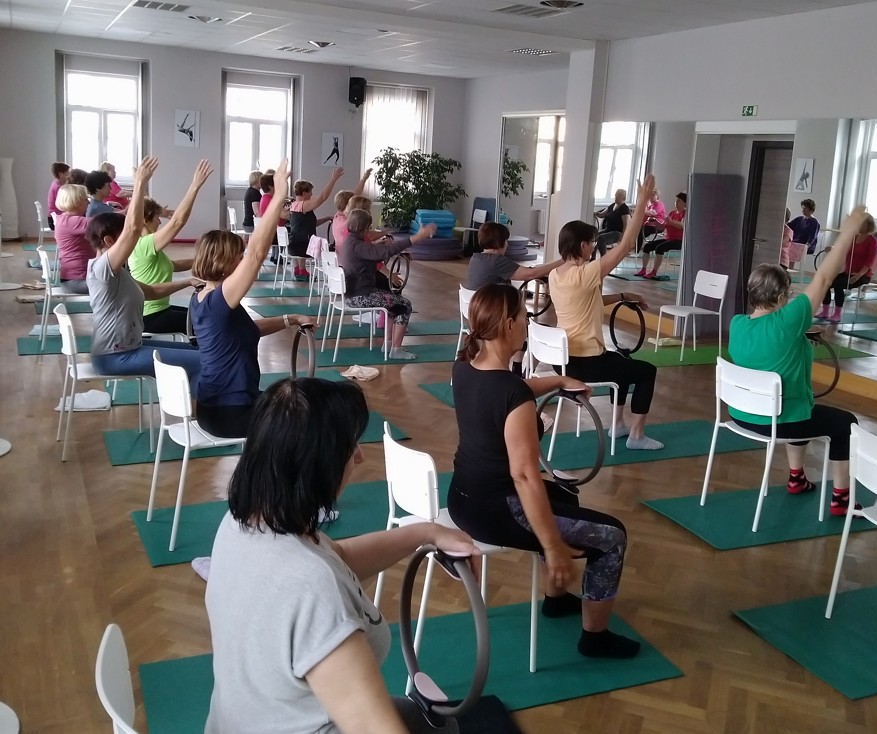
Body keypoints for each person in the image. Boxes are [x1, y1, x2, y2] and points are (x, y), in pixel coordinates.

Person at [204, 378, 479, 734]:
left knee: (440, 725)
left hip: (243, 722)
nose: (360, 457)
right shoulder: (310, 587)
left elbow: (340, 557)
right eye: (350, 448)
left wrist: (426, 532)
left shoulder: (243, 523)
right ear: (319, 466)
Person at [448, 284, 640, 660]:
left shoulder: (464, 367)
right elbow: (524, 477)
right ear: (508, 325)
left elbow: (509, 389)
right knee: (613, 536)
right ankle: (595, 638)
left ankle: (557, 599)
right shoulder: (512, 395)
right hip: (499, 511)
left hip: (463, 500)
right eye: (524, 316)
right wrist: (553, 548)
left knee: (565, 494)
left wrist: (558, 380)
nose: (528, 322)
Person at [728, 206, 867, 517]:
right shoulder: (788, 321)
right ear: (781, 298)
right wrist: (849, 230)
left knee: (804, 409)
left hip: (742, 415)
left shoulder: (737, 324)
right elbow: (824, 277)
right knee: (845, 423)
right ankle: (842, 499)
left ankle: (797, 478)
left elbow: (770, 348)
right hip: (778, 419)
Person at [189, 160, 316, 438]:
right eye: (238, 256)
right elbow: (257, 253)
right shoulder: (219, 301)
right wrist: (279, 197)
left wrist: (291, 319)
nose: (242, 260)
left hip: (222, 406)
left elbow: (247, 330)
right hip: (230, 413)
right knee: (308, 418)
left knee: (296, 398)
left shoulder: (203, 298)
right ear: (223, 262)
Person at [549, 175, 661, 450]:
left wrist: (623, 295)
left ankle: (618, 425)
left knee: (620, 362)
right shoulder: (585, 273)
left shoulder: (556, 274)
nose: (594, 246)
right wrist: (642, 202)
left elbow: (588, 301)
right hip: (585, 362)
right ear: (582, 246)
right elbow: (625, 245)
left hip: (563, 360)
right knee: (647, 371)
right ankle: (636, 436)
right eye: (592, 242)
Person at [85, 157, 202, 386]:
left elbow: (151, 292)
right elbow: (133, 228)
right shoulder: (102, 269)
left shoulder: (118, 272)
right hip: (114, 357)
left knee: (198, 353)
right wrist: (139, 183)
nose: (134, 239)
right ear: (109, 241)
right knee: (203, 362)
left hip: (129, 347)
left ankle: (197, 403)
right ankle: (194, 407)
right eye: (126, 238)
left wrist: (188, 281)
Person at [337, 209, 436, 360]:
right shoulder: (357, 245)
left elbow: (372, 254)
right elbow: (384, 252)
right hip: (360, 296)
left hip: (355, 293)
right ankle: (396, 349)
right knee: (405, 305)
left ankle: (389, 345)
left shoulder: (350, 241)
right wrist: (418, 237)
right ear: (364, 227)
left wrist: (385, 247)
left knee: (394, 303)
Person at [128, 159, 213, 336]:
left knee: (202, 315)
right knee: (207, 323)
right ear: (146, 220)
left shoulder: (146, 245)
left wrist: (203, 260)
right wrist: (195, 186)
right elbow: (178, 222)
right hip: (150, 317)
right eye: (157, 218)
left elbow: (172, 265)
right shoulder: (144, 244)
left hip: (158, 310)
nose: (160, 222)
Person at [815, 213, 877, 323]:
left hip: (863, 275)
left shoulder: (873, 241)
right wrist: (832, 248)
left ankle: (837, 314)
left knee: (839, 285)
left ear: (868, 225)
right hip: (848, 273)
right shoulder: (854, 238)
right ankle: (825, 311)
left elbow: (869, 262)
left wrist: (857, 276)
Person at [465, 221, 562, 291]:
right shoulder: (496, 261)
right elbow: (531, 274)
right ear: (499, 242)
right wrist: (563, 260)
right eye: (506, 240)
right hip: (492, 309)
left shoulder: (475, 258)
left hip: (476, 307)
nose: (507, 244)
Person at [288, 169, 344, 280]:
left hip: (294, 243)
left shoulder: (294, 205)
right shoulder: (303, 205)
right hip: (301, 246)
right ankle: (302, 272)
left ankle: (299, 270)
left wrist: (327, 218)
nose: (312, 195)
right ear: (304, 193)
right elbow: (323, 197)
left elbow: (311, 224)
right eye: (310, 192)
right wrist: (333, 179)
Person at [53, 184, 94, 294]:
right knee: (119, 284)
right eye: (85, 199)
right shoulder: (72, 221)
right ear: (76, 202)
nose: (88, 202)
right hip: (76, 281)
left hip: (72, 279)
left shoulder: (63, 219)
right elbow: (103, 223)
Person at [636, 192, 686, 279]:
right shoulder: (672, 213)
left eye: (679, 201)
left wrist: (670, 221)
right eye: (676, 201)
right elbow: (662, 226)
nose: (676, 202)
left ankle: (654, 272)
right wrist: (655, 221)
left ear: (684, 203)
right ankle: (643, 269)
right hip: (669, 239)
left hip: (680, 241)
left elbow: (682, 226)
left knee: (660, 248)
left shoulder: (686, 214)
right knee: (647, 246)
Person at [330, 169, 372, 247]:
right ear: (348, 204)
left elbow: (356, 194)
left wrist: (364, 179)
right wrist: (385, 233)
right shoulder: (348, 222)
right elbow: (368, 237)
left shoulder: (338, 216)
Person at [593, 189, 631, 255]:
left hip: (617, 232)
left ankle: (604, 258)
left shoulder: (624, 208)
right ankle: (593, 257)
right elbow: (602, 214)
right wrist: (596, 213)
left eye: (618, 195)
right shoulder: (612, 205)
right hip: (608, 230)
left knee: (600, 238)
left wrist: (623, 236)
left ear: (623, 197)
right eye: (615, 195)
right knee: (594, 236)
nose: (615, 197)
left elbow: (626, 224)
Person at [46, 162, 70, 229]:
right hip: (55, 219)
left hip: (56, 216)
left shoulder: (56, 182)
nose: (69, 174)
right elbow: (63, 205)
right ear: (60, 174)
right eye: (67, 172)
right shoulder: (58, 187)